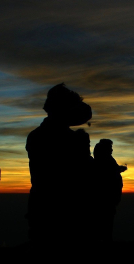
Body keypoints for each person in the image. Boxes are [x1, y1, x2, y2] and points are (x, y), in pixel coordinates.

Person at [26, 83, 93, 244]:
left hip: (43, 208)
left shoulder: (36, 135)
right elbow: (80, 173)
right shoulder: (68, 139)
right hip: (63, 210)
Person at [92, 139, 126, 241]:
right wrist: (118, 169)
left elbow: (110, 171)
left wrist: (118, 169)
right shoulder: (105, 160)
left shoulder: (105, 159)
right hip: (106, 199)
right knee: (105, 224)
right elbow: (107, 173)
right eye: (110, 148)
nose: (112, 150)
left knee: (105, 224)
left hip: (109, 198)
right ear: (106, 148)